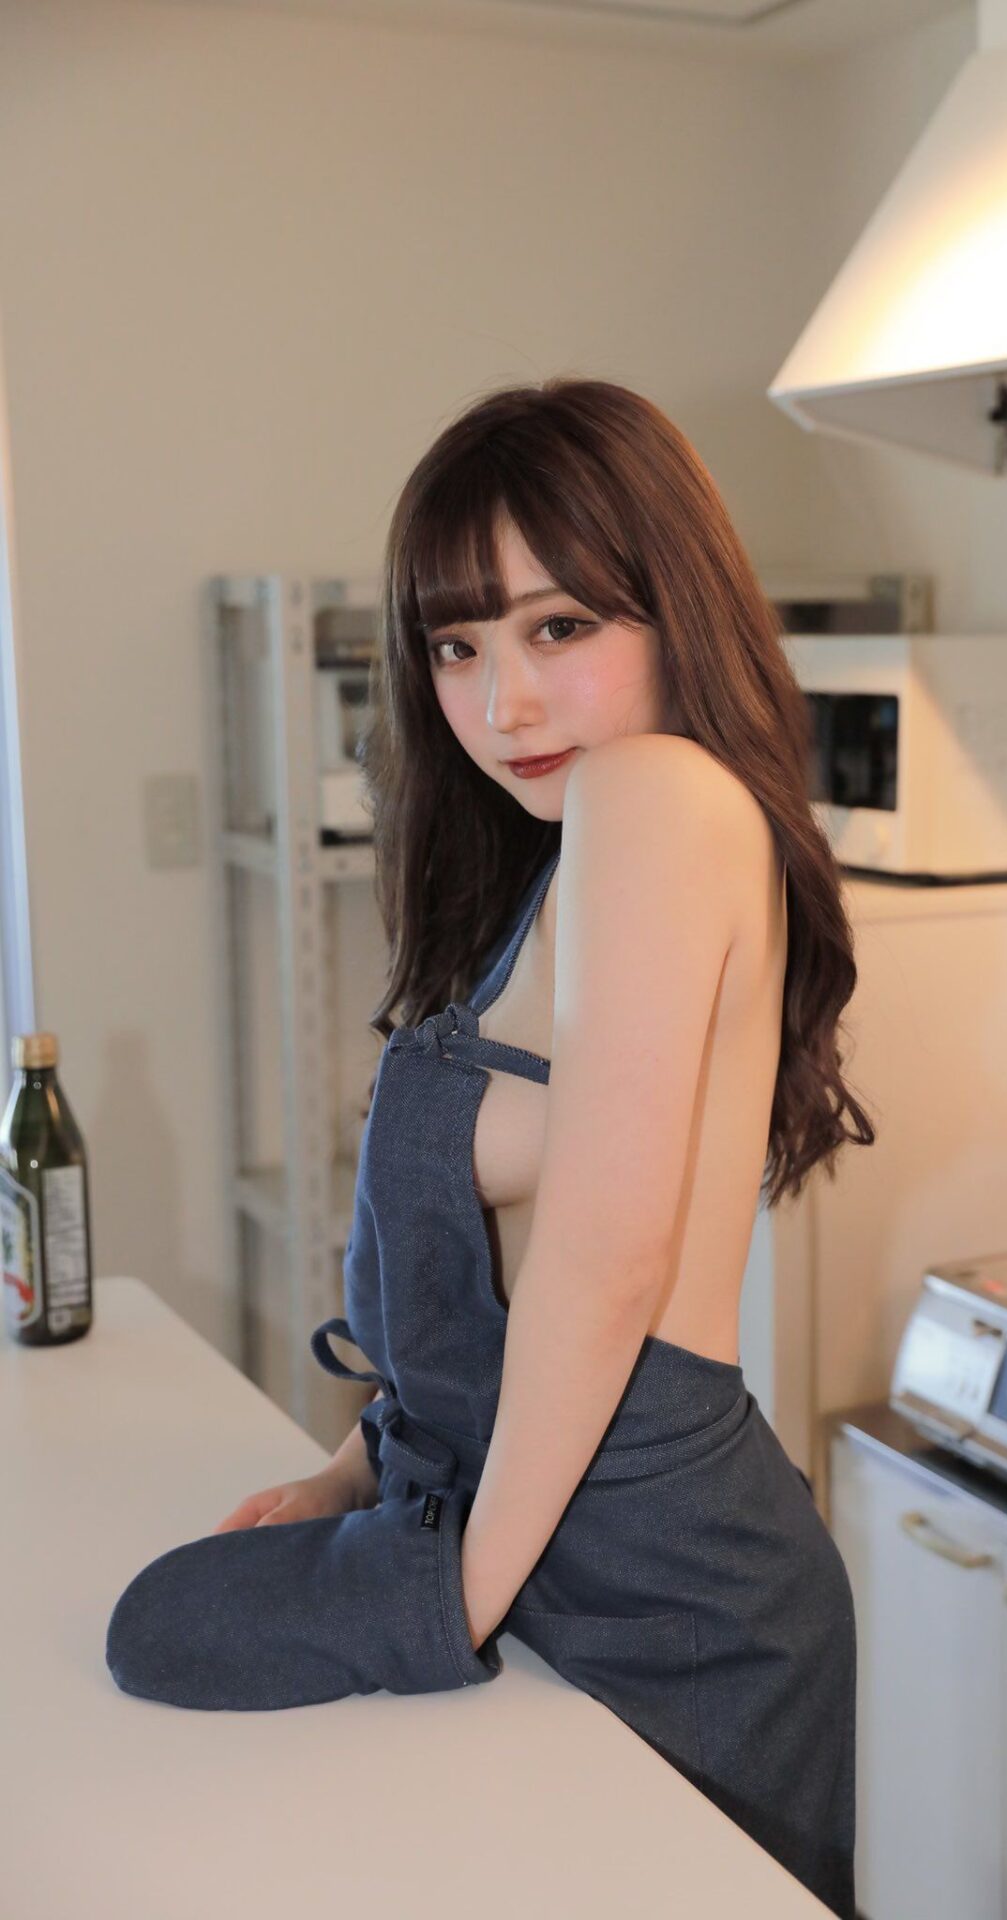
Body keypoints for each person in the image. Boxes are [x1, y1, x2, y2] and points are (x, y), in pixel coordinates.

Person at [105, 377, 876, 1919]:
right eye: (456, 646)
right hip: (548, 1512)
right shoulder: (571, 848)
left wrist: (438, 1601)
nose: (501, 701)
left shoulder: (656, 795)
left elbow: (604, 1256)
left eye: (558, 627)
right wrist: (356, 1471)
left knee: (160, 1642)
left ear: (677, 607)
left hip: (660, 1581)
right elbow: (508, 1276)